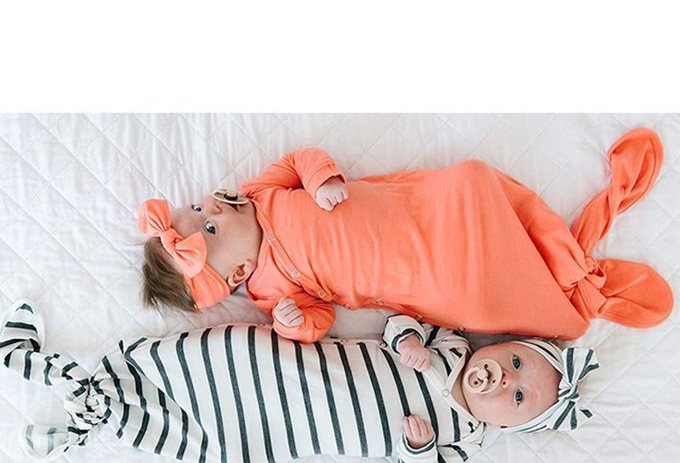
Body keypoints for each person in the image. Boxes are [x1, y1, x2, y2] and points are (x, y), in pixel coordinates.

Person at [138, 128, 672, 343]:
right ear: (236, 272)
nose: (210, 207)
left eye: (197, 208)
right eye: (209, 228)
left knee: (471, 181)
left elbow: (300, 158)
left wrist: (321, 179)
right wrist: (293, 325)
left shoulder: (260, 193)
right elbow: (322, 318)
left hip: (422, 212)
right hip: (419, 277)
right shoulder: (269, 293)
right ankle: (571, 288)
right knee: (475, 299)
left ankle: (559, 256)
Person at [0, 302, 597, 463]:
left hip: (281, 432)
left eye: (518, 398)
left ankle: (88, 422)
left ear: (510, 426)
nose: (504, 379)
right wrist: (410, 339)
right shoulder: (451, 347)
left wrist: (418, 450)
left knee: (200, 439)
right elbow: (397, 322)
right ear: (504, 343)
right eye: (515, 361)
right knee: (213, 351)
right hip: (280, 367)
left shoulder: (467, 436)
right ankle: (48, 368)